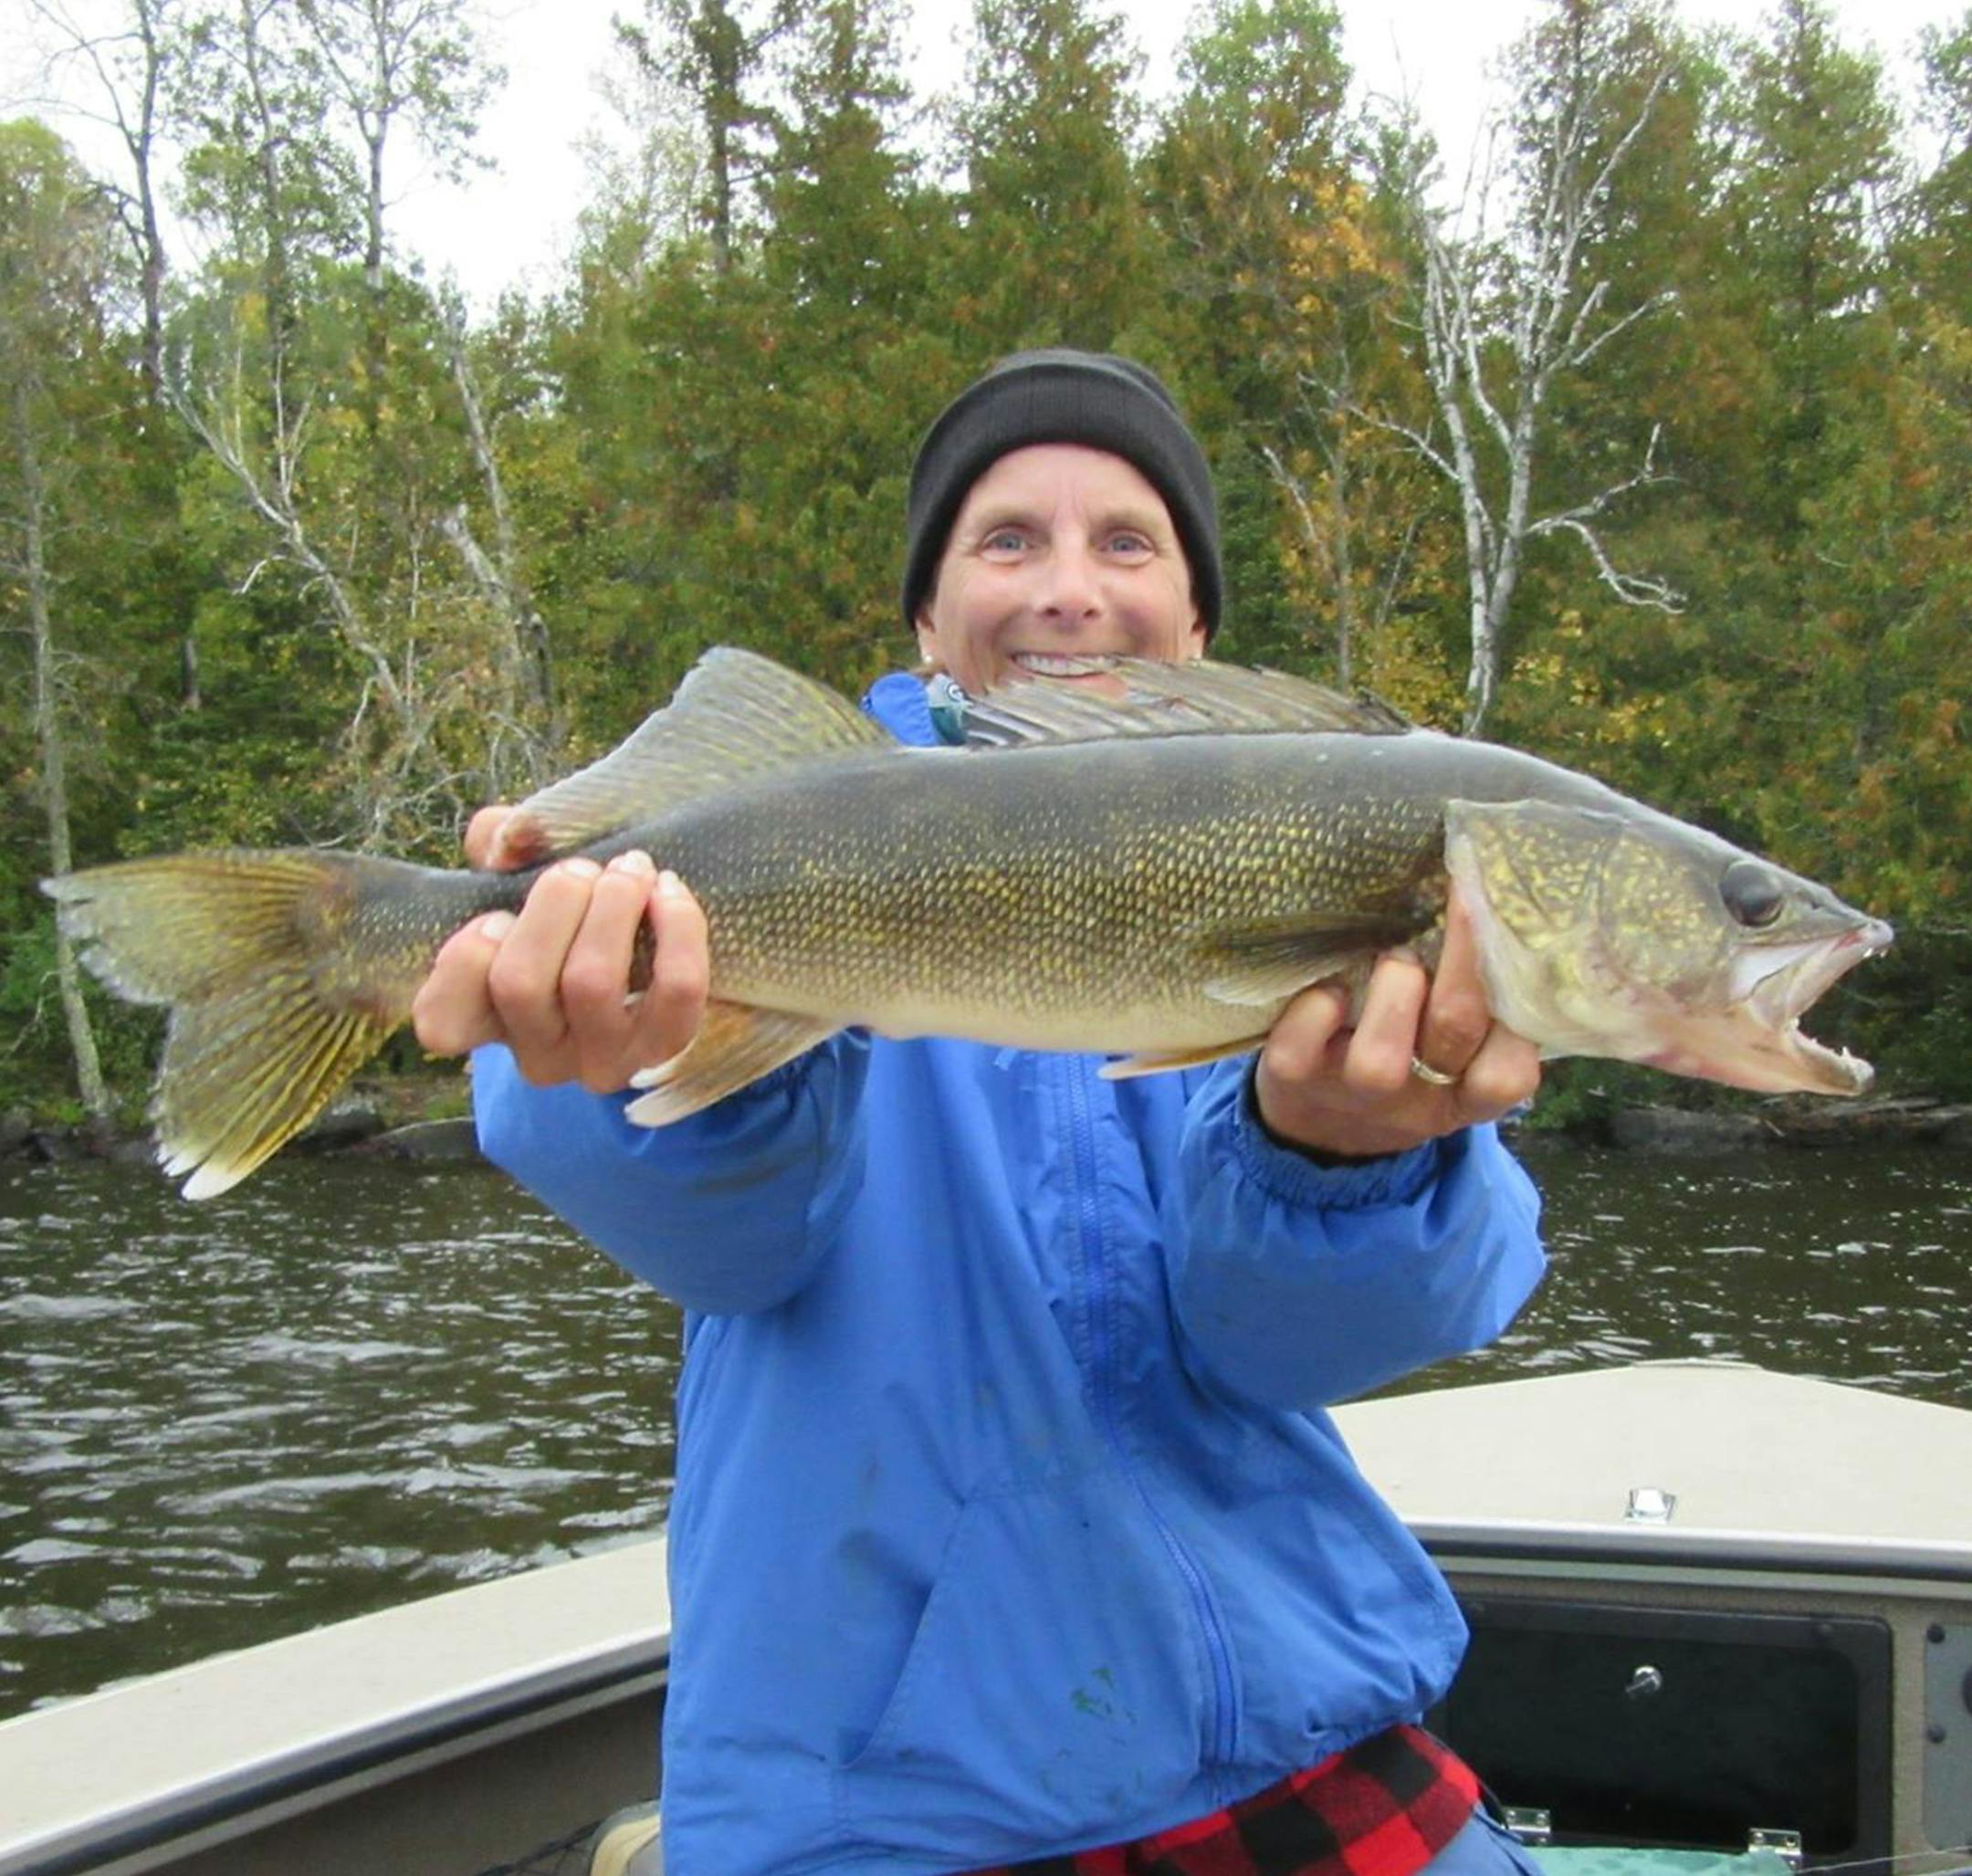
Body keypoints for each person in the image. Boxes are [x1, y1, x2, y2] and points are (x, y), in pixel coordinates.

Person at [412, 350, 1548, 1876]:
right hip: (878, 1809)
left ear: (1200, 626)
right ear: (927, 624)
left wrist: (1336, 1158)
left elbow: (1288, 1351)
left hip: (1301, 1743)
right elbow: (725, 1247)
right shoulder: (783, 838)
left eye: (1127, 541)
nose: (1069, 588)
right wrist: (617, 1059)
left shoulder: (1355, 906)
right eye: (1006, 539)